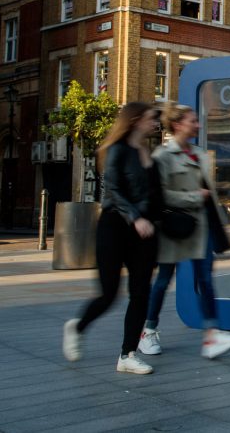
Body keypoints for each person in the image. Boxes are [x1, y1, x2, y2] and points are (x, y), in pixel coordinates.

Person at [138, 104, 230, 360]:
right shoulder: (162, 156)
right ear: (177, 125)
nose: (197, 125)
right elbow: (159, 195)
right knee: (164, 279)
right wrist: (193, 197)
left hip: (201, 228)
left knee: (205, 279)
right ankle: (148, 331)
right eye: (192, 121)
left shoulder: (199, 153)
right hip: (175, 227)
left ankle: (211, 335)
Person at [62, 102, 161, 374]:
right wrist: (136, 217)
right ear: (137, 120)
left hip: (145, 230)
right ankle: (77, 327)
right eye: (153, 118)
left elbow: (154, 194)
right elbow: (114, 190)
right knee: (109, 294)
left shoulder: (148, 153)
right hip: (115, 226)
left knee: (141, 293)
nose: (157, 123)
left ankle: (127, 355)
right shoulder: (117, 150)